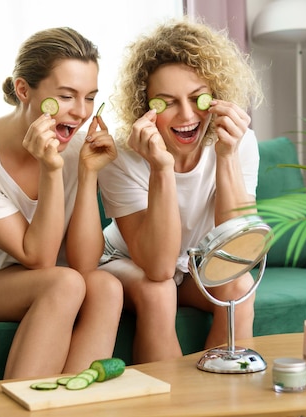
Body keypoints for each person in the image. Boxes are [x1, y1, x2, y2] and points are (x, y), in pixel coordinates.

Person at [0, 27, 123, 379]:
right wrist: (51, 170)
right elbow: (39, 257)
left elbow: (84, 263)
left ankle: (77, 404)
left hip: (50, 280)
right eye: (66, 96)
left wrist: (88, 173)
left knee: (106, 286)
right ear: (23, 90)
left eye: (90, 97)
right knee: (62, 283)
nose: (81, 113)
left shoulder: (79, 149)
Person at [98, 18, 264, 364]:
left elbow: (238, 249)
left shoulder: (239, 141)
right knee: (158, 291)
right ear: (145, 108)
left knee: (240, 287)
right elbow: (158, 267)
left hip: (195, 265)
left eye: (198, 98)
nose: (187, 115)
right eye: (166, 102)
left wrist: (227, 155)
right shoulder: (123, 156)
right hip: (127, 261)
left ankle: (225, 400)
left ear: (215, 97)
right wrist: (161, 166)